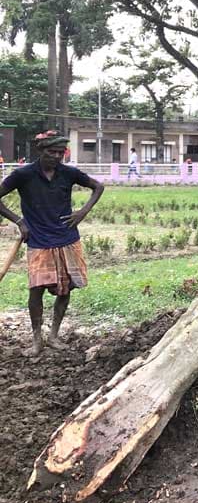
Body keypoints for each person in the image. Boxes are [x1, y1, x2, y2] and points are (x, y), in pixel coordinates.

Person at [0, 130, 104, 356]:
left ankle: (54, 335)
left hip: (67, 238)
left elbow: (98, 187)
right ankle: (37, 340)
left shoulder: (68, 173)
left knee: (66, 290)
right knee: (36, 289)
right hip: (38, 240)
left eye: (60, 152)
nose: (56, 156)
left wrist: (82, 212)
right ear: (40, 151)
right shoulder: (23, 175)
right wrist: (19, 221)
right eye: (51, 152)